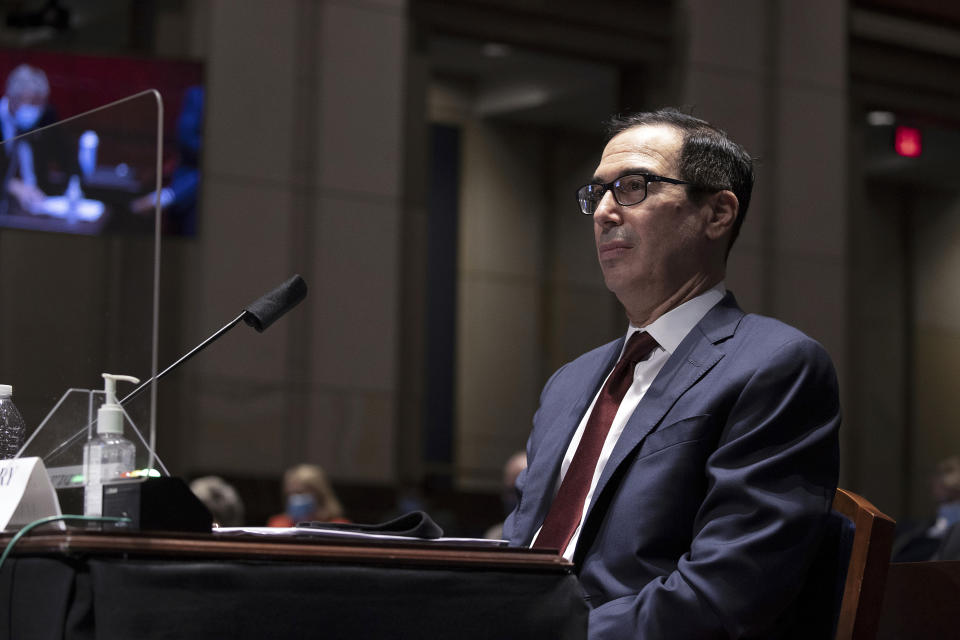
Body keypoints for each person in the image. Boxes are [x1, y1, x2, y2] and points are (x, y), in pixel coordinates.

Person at [503, 109, 840, 639]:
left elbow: (726, 593)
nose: (604, 212)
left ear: (717, 214)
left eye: (633, 187)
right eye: (598, 193)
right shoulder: (570, 381)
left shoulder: (774, 364)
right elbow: (517, 551)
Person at [0, 64, 58, 211]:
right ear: (12, 97)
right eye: (31, 101)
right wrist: (10, 184)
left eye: (40, 102)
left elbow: (67, 155)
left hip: (36, 207)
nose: (35, 108)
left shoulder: (46, 117)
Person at [267, 463, 349, 527]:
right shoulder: (278, 525)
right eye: (290, 493)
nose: (294, 498)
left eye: (300, 492)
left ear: (319, 494)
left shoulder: (339, 526)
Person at [484, 451, 527, 540]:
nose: (515, 498)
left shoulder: (550, 539)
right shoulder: (494, 537)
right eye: (510, 491)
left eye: (521, 492)